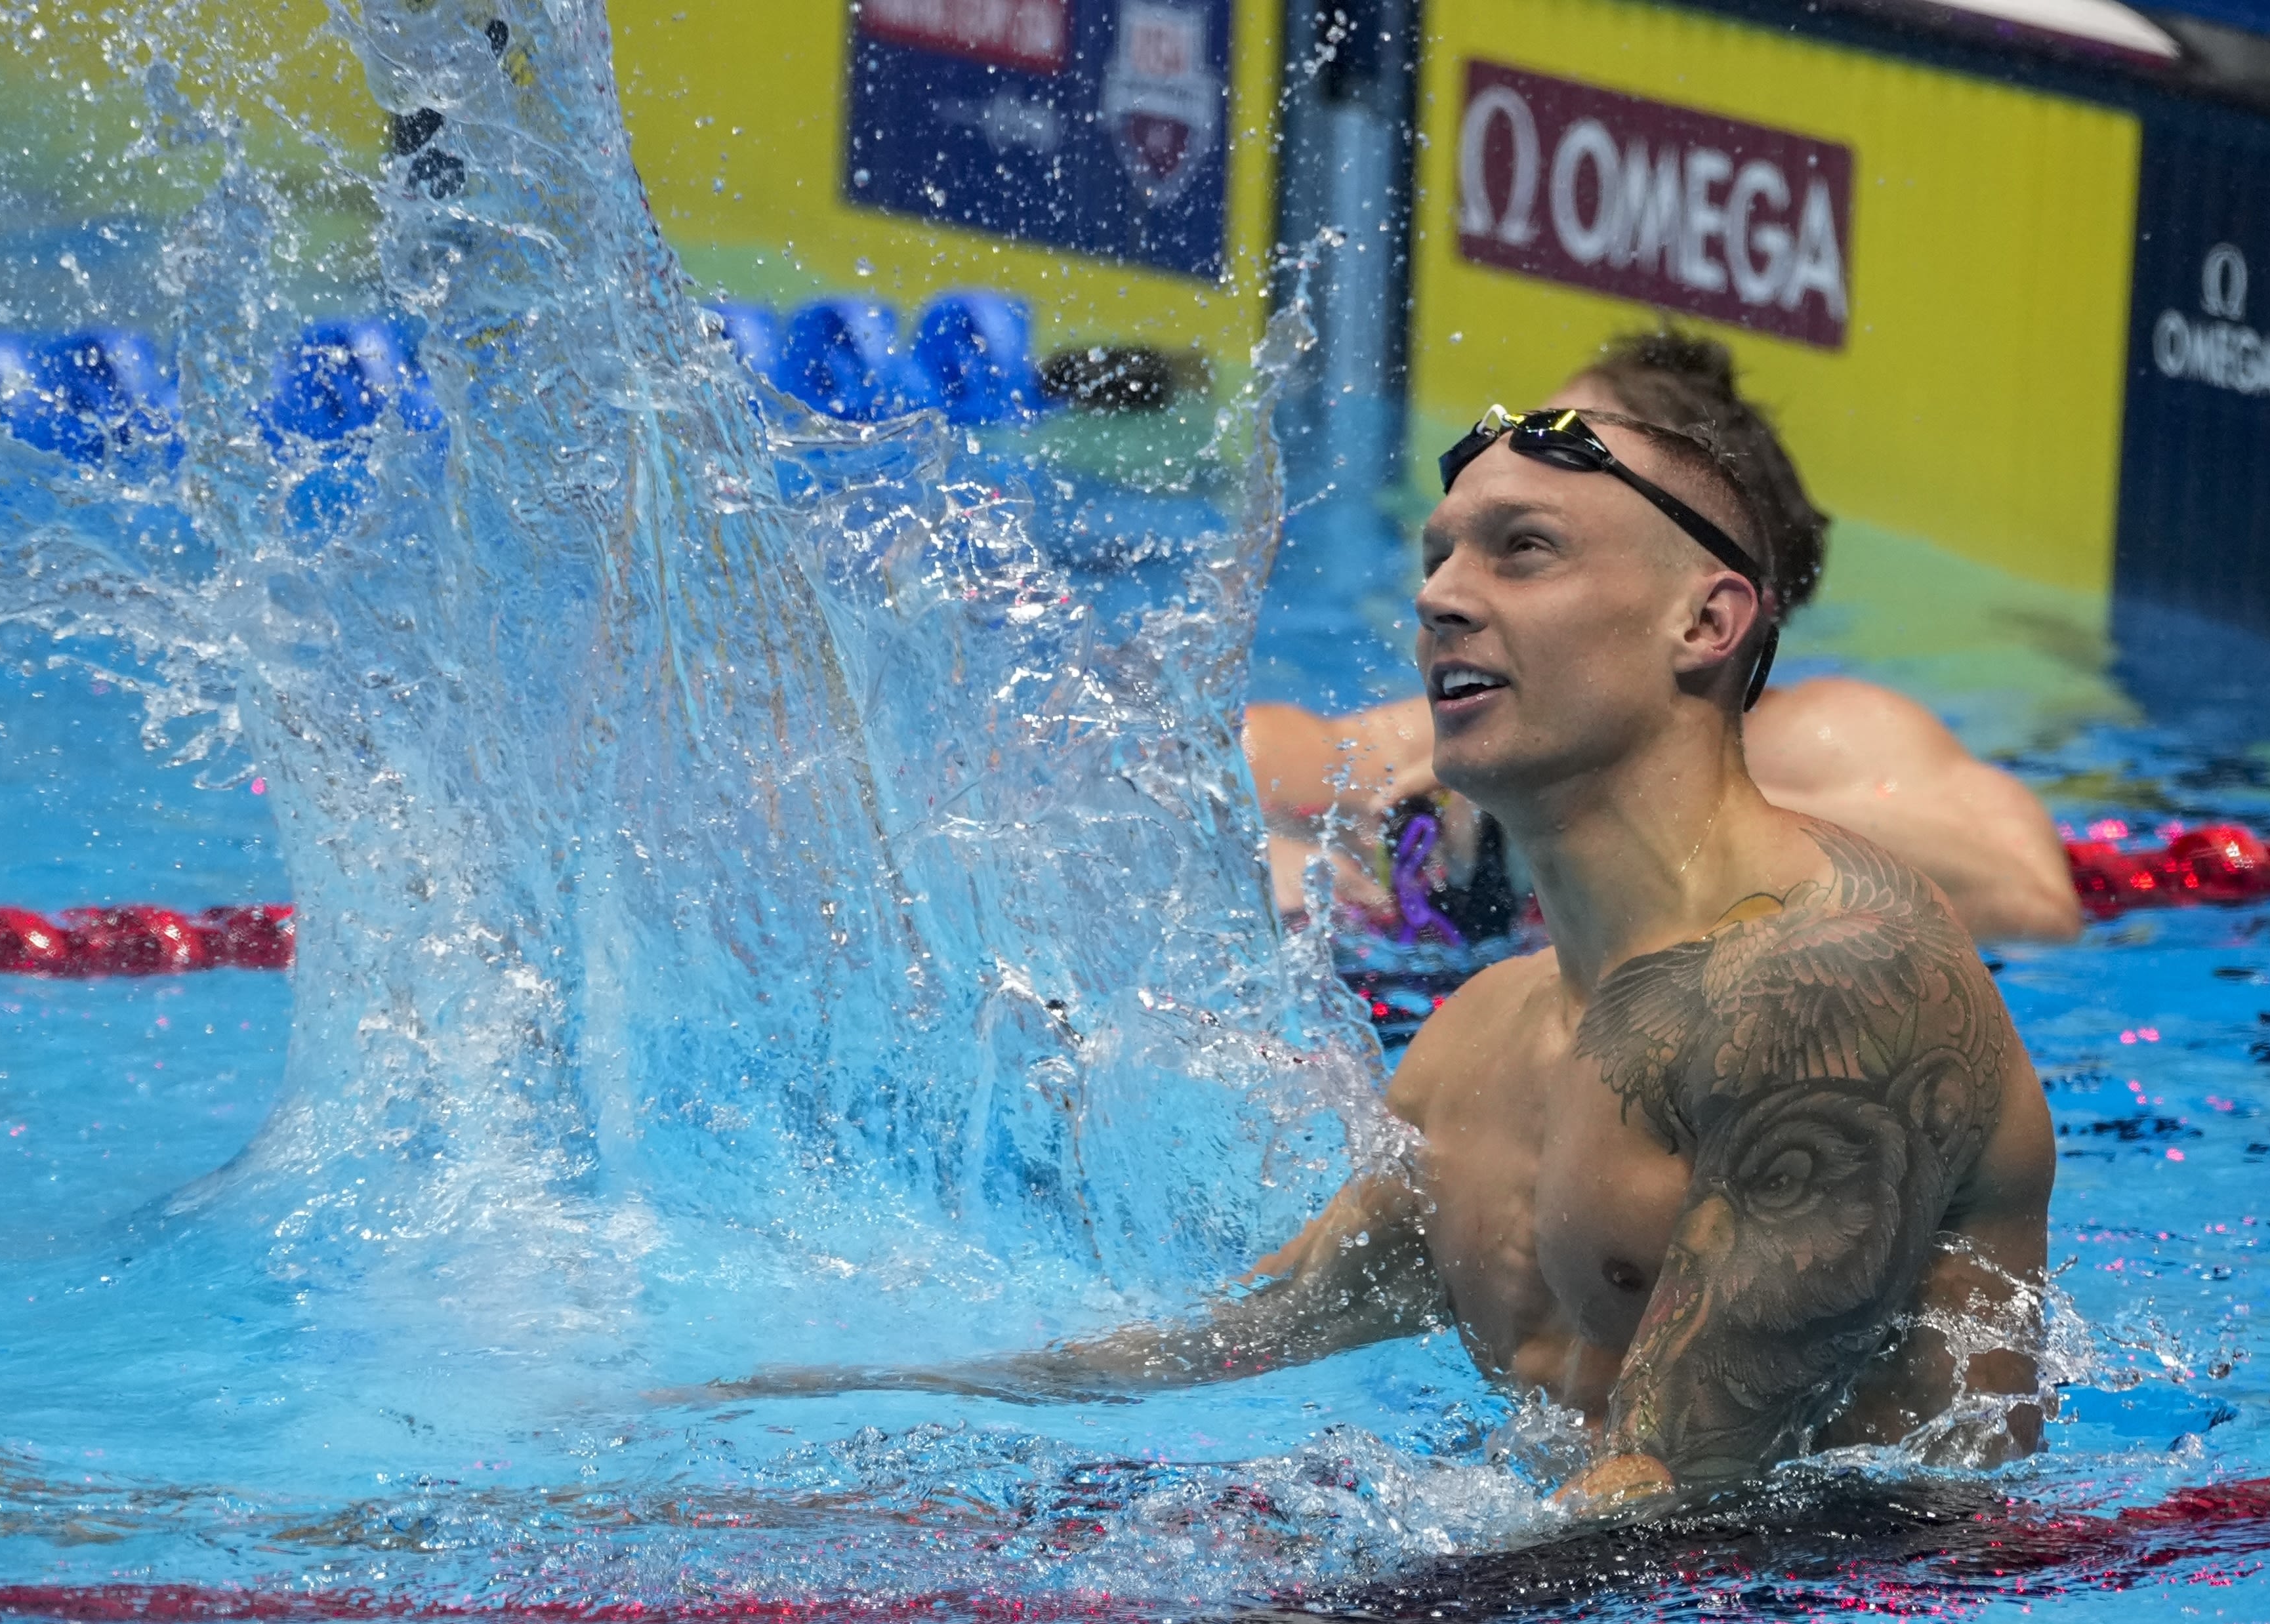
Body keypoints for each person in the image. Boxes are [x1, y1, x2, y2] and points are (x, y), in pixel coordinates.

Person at [680, 398, 2056, 1517]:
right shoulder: (1481, 1042)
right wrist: (802, 1420)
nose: (1444, 599)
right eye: (1438, 557)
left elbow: (1678, 1511)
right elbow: (1234, 1342)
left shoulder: (1835, 983)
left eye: (1522, 552)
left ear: (1706, 622)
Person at [1247, 329, 2084, 948]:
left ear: (1703, 608)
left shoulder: (1820, 732)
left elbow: (2030, 901)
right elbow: (1253, 759)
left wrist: (1630, 807)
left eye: (1534, 534)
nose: (1441, 596)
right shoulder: (1519, 725)